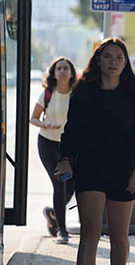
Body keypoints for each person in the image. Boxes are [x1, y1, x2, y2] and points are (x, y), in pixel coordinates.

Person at [55, 38, 135, 265]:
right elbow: (71, 132)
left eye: (119, 57)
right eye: (107, 56)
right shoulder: (83, 93)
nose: (113, 62)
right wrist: (65, 159)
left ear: (125, 63)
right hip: (89, 168)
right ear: (98, 61)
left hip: (124, 171)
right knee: (90, 232)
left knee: (119, 236)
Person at [29, 57, 78, 244]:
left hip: (71, 145)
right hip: (48, 143)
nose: (63, 71)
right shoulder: (47, 94)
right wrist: (44, 123)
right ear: (54, 73)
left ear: (72, 73)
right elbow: (33, 118)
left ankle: (52, 212)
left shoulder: (76, 93)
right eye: (59, 68)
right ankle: (62, 231)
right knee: (60, 183)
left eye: (66, 68)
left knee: (72, 185)